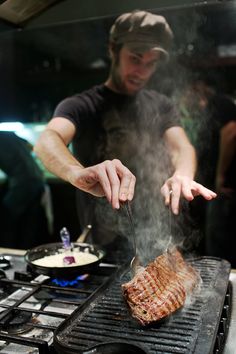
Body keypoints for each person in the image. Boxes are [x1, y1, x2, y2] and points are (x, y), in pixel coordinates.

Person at [34, 10, 216, 255]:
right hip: (100, 243)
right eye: (135, 58)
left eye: (151, 63)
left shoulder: (161, 105)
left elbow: (181, 147)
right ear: (113, 49)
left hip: (154, 234)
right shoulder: (82, 104)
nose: (142, 71)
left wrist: (182, 174)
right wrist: (75, 173)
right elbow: (47, 140)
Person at [0, 131, 51, 249]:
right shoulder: (9, 134)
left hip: (23, 183)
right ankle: (25, 253)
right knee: (29, 223)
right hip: (38, 181)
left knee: (7, 219)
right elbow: (33, 147)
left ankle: (8, 253)